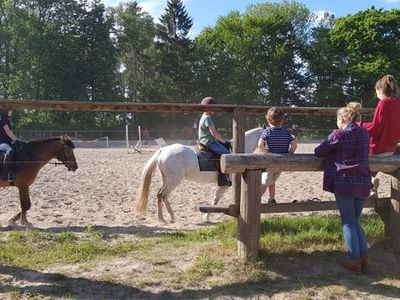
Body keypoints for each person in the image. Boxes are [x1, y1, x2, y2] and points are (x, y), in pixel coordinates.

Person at [314, 102, 371, 274]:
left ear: (341, 118)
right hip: (363, 181)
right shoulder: (364, 133)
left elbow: (319, 151)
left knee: (348, 222)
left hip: (345, 182)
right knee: (355, 220)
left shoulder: (338, 134)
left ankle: (355, 261)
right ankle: (363, 258)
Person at [360, 75, 400, 196]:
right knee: (375, 162)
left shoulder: (383, 103)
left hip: (378, 148)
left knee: (359, 154)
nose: (376, 95)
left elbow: (375, 128)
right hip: (391, 148)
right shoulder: (398, 103)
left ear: (380, 90)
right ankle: (371, 182)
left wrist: (359, 124)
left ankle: (370, 182)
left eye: (376, 92)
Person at [258, 107, 297, 203]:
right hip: (281, 163)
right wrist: (289, 154)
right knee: (272, 181)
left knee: (264, 183)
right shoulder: (286, 132)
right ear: (282, 120)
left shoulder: (267, 131)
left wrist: (266, 154)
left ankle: (255, 198)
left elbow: (260, 144)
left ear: (267, 120)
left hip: (270, 162)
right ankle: (272, 198)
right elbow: (294, 144)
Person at [198, 96, 232, 186]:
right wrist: (225, 142)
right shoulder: (207, 118)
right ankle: (223, 178)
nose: (215, 110)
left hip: (207, 139)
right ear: (209, 108)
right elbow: (214, 134)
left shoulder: (205, 116)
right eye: (213, 108)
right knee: (228, 155)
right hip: (208, 141)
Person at [0, 109, 19, 182]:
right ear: (6, 111)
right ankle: (6, 174)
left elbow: (11, 133)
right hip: (2, 143)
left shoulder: (6, 119)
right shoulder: (4, 120)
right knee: (10, 152)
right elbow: (8, 132)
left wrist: (16, 140)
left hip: (8, 142)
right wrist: (16, 140)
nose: (11, 111)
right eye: (10, 110)